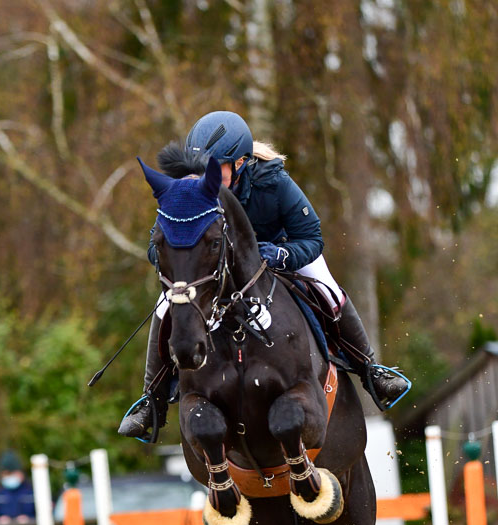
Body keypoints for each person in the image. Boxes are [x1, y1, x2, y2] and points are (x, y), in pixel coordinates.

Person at [119, 111, 409, 441]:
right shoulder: (188, 191)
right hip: (215, 270)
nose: (203, 177)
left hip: (280, 255)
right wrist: (177, 259)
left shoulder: (274, 183)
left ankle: (371, 371)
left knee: (327, 288)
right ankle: (151, 402)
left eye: (215, 169)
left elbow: (312, 237)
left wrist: (281, 254)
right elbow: (155, 248)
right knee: (166, 304)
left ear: (240, 163)